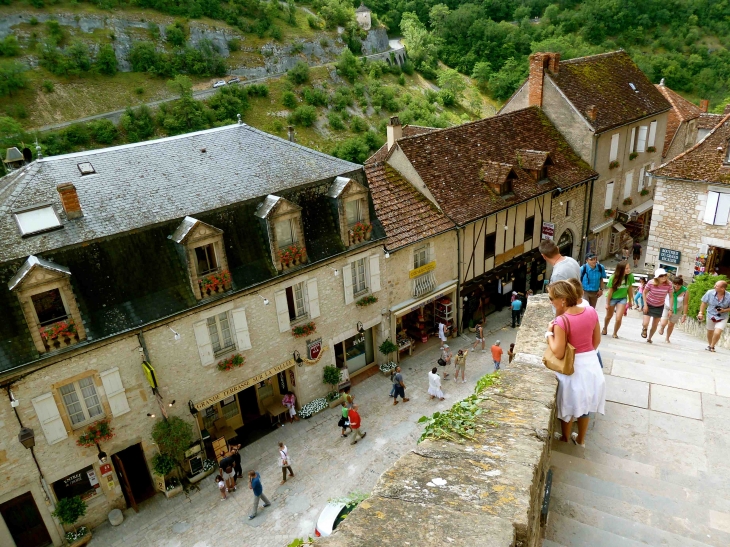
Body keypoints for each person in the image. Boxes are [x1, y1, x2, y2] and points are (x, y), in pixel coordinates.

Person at [546, 280, 605, 448]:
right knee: (585, 406)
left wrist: (548, 332)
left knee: (569, 404)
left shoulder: (561, 322)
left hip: (573, 369)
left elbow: (558, 352)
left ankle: (565, 437)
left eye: (552, 298)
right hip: (592, 365)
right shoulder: (591, 311)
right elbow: (596, 341)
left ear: (562, 300)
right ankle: (580, 440)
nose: (550, 302)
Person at [602, 261, 634, 339]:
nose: (628, 270)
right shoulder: (613, 277)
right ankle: (605, 328)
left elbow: (630, 289)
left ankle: (615, 332)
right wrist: (607, 303)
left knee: (619, 317)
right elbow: (610, 292)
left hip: (622, 298)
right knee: (609, 316)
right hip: (612, 298)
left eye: (628, 268)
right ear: (621, 269)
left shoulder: (630, 277)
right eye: (626, 268)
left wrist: (630, 300)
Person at [698, 280, 730, 352]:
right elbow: (704, 303)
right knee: (710, 331)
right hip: (710, 314)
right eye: (715, 285)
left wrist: (724, 310)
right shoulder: (710, 292)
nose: (714, 286)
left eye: (717, 286)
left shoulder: (729, 296)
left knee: (717, 332)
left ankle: (712, 346)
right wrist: (700, 312)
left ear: (723, 288)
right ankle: (710, 345)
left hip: (723, 316)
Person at [642, 268, 673, 343]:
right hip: (649, 304)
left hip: (659, 306)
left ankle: (649, 338)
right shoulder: (651, 283)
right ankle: (644, 328)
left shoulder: (669, 284)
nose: (664, 277)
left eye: (665, 275)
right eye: (661, 276)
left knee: (654, 325)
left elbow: (671, 296)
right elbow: (644, 292)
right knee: (645, 323)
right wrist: (645, 305)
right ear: (657, 277)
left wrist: (670, 309)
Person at [659, 276, 688, 343]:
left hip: (677, 309)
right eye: (675, 284)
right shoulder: (669, 288)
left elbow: (685, 304)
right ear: (673, 283)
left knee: (671, 324)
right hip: (667, 306)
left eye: (679, 285)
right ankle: (662, 327)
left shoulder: (685, 291)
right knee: (663, 323)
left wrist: (684, 315)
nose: (677, 286)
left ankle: (667, 338)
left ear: (682, 284)